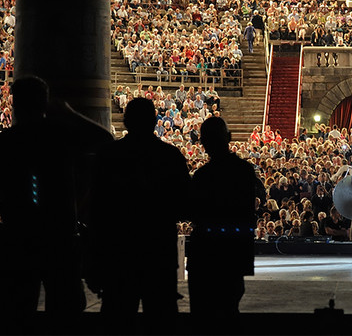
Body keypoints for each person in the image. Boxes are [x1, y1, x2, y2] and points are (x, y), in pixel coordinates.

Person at [0, 76, 110, 334]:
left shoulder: (7, 141)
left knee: (17, 309)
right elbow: (103, 138)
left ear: (15, 105)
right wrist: (69, 112)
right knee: (65, 310)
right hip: (58, 235)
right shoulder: (59, 134)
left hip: (19, 235)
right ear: (45, 103)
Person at [88, 98, 190, 335]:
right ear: (155, 121)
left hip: (118, 254)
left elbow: (96, 210)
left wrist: (93, 260)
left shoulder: (108, 156)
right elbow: (185, 206)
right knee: (161, 319)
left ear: (125, 121)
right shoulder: (170, 156)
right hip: (158, 253)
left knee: (117, 318)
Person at [187, 116, 262, 328]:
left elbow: (193, 212)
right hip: (234, 248)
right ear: (228, 137)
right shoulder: (244, 170)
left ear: (203, 143)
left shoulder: (202, 176)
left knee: (202, 316)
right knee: (230, 310)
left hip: (206, 250)